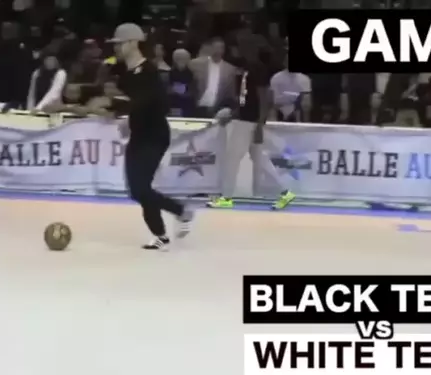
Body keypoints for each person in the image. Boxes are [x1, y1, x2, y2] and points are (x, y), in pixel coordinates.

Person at [108, 23, 194, 251]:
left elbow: (158, 103)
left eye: (119, 43)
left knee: (140, 188)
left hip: (155, 135)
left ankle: (181, 211)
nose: (115, 48)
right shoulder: (124, 73)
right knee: (138, 190)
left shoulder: (149, 71)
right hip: (139, 135)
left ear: (133, 43)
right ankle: (161, 235)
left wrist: (129, 111)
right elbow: (124, 101)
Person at [207, 45, 296, 210]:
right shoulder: (244, 71)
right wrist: (232, 115)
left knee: (232, 158)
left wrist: (260, 124)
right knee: (259, 158)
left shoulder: (257, 69)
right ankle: (285, 192)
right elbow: (245, 101)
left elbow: (265, 97)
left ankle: (226, 197)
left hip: (249, 122)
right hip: (246, 119)